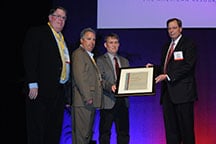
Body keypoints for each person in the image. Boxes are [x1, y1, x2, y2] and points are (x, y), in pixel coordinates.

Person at [22, 6, 72, 144]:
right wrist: (32, 82)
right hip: (40, 91)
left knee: (54, 130)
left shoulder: (62, 38)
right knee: (38, 130)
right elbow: (30, 57)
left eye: (63, 18)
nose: (60, 20)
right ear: (50, 17)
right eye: (58, 16)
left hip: (58, 91)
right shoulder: (39, 32)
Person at [147, 18, 198, 144]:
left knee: (186, 131)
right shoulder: (166, 47)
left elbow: (188, 66)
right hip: (168, 95)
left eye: (174, 28)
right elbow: (166, 68)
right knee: (171, 131)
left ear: (180, 29)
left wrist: (168, 76)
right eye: (169, 28)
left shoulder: (189, 44)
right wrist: (154, 68)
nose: (171, 31)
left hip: (184, 95)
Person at [96, 33, 130, 144]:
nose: (114, 45)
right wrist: (110, 86)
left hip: (122, 101)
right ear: (105, 45)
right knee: (105, 134)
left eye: (116, 42)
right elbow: (99, 79)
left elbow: (129, 79)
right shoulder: (100, 60)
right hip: (107, 101)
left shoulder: (125, 61)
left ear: (119, 44)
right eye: (111, 42)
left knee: (124, 133)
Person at [71, 27, 103, 144]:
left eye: (94, 39)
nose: (92, 42)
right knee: (81, 136)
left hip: (89, 102)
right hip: (84, 102)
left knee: (86, 136)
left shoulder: (88, 55)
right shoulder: (79, 54)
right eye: (88, 39)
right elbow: (80, 77)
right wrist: (88, 97)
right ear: (81, 41)